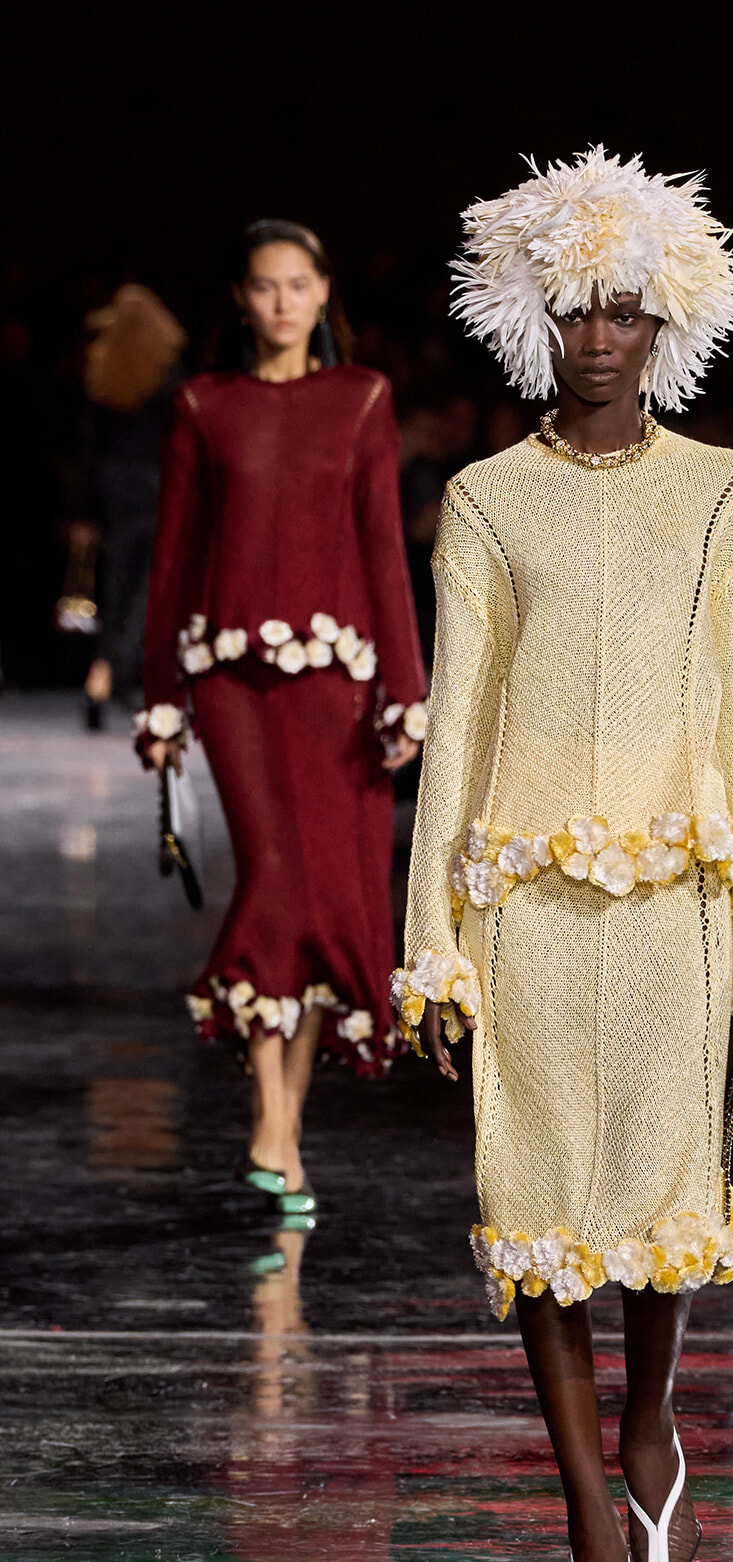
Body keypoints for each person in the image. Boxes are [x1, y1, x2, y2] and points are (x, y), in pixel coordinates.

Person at [393, 150, 733, 1562]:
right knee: (536, 1204)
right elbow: (462, 716)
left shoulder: (722, 493)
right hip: (524, 898)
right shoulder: (487, 501)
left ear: (666, 324)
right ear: (530, 316)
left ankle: (650, 1431)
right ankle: (585, 1504)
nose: (596, 338)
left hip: (672, 905)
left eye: (624, 312)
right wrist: (428, 943)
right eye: (572, 309)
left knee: (655, 1193)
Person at [138, 219, 426, 1206]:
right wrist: (158, 700)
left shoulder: (362, 398)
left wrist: (410, 689)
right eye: (263, 285)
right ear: (240, 296)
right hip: (228, 679)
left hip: (340, 679)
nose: (280, 302)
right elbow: (170, 560)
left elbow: (384, 546)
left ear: (322, 291)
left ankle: (285, 1123)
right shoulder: (203, 405)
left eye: (297, 284)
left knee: (332, 902)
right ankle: (270, 1112)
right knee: (273, 872)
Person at [71, 285, 186, 728]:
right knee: (149, 587)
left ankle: (105, 672)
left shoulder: (102, 373)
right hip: (159, 486)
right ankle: (110, 672)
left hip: (116, 489)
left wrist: (85, 511)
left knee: (121, 584)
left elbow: (91, 450)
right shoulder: (168, 372)